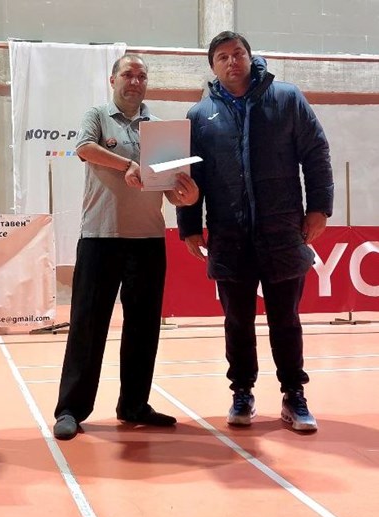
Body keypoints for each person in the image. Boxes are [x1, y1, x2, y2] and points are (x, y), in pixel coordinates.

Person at [176, 31, 334, 432]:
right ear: (213, 67)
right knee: (237, 322)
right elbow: (190, 177)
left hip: (282, 232)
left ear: (250, 57)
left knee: (286, 320)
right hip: (229, 237)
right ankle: (242, 393)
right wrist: (190, 226)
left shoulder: (287, 98)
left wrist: (319, 208)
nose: (232, 61)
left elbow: (316, 152)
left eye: (238, 53)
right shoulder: (200, 115)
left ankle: (293, 395)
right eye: (222, 57)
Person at [52, 54, 199, 441]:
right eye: (128, 74)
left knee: (143, 328)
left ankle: (134, 404)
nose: (135, 81)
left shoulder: (161, 130)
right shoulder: (98, 116)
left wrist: (187, 196)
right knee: (87, 326)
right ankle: (71, 409)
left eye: (141, 76)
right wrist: (126, 165)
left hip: (148, 240)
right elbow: (85, 148)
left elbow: (171, 190)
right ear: (112, 79)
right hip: (100, 238)